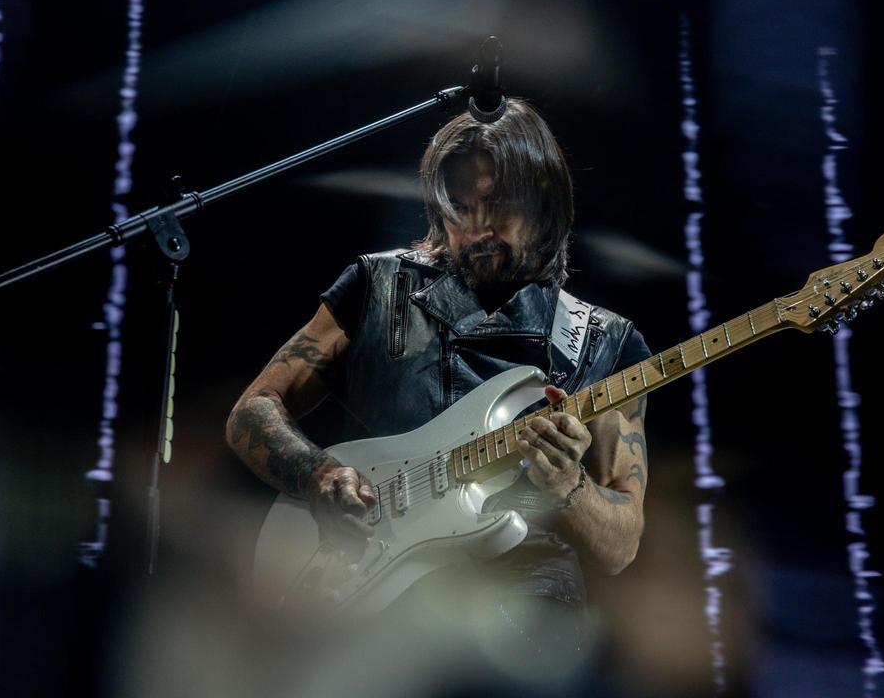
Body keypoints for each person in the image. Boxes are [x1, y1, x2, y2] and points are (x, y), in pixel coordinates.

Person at [225, 99, 650, 662]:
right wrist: (316, 474)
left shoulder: (605, 341)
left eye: (496, 204)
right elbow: (253, 410)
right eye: (458, 208)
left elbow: (620, 545)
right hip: (369, 616)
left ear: (545, 201)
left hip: (520, 631)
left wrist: (569, 487)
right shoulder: (375, 287)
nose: (476, 228)